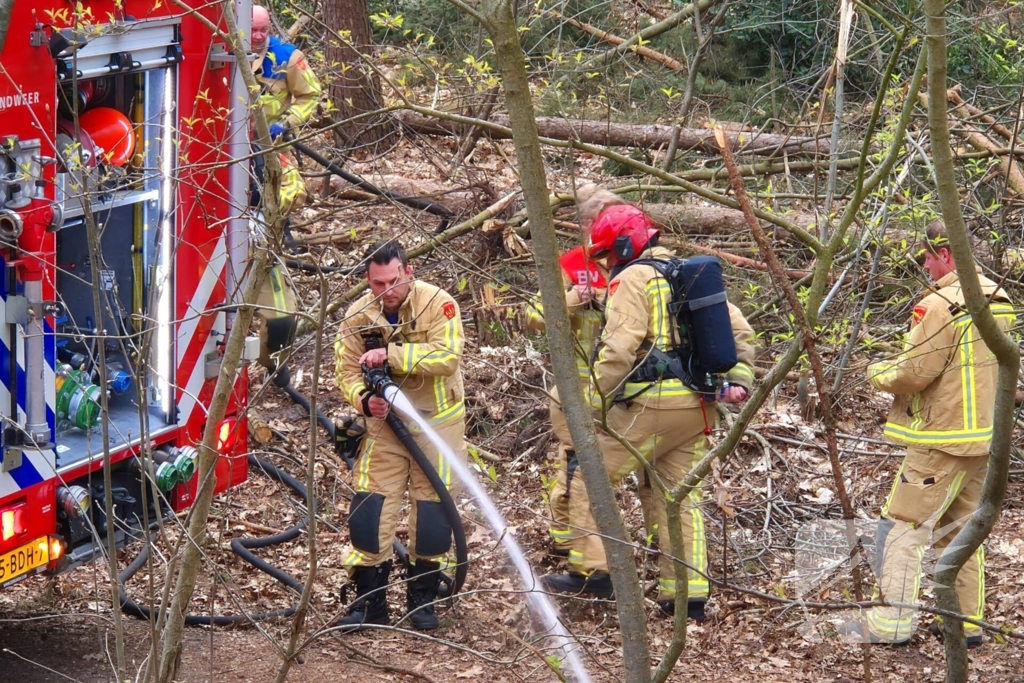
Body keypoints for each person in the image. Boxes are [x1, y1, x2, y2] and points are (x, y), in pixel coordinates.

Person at [542, 204, 757, 622]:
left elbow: (619, 350)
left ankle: (593, 571)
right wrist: (741, 380)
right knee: (677, 497)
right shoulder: (689, 275)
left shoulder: (632, 279)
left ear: (623, 246)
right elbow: (742, 333)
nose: (606, 264)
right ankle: (687, 596)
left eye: (607, 254)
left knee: (591, 473)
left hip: (654, 407)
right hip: (699, 408)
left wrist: (591, 402)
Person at [839, 220, 1014, 646]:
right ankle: (966, 624)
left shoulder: (939, 305)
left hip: (942, 440)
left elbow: (914, 372)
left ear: (946, 254)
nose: (924, 264)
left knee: (902, 528)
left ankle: (890, 625)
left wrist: (875, 372)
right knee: (962, 531)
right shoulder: (1000, 296)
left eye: (927, 256)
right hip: (984, 440)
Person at [333, 240, 467, 632]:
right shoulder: (357, 315)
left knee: (432, 512)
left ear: (408, 272)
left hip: (437, 423)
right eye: (377, 284)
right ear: (367, 280)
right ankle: (369, 602)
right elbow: (345, 372)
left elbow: (448, 356)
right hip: (384, 427)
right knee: (370, 508)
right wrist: (363, 401)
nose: (386, 292)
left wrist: (390, 356)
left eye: (393, 282)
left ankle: (420, 601)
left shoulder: (438, 304)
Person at [524, 247, 606, 556]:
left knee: (585, 468)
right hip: (575, 391)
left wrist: (602, 297)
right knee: (576, 464)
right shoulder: (570, 265)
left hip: (617, 393)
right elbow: (533, 315)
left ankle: (575, 543)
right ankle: (567, 542)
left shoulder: (630, 267)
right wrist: (573, 297)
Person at [251, 5, 322, 140]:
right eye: (253, 30)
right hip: (229, 142)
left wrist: (286, 123)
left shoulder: (288, 56)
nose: (259, 36)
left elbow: (310, 96)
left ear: (269, 26)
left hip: (272, 143)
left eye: (263, 30)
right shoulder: (228, 49)